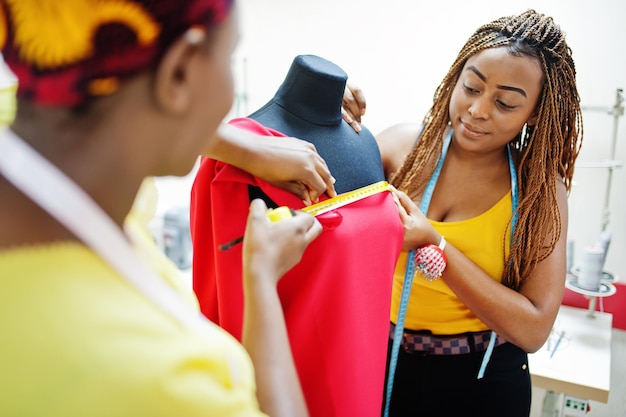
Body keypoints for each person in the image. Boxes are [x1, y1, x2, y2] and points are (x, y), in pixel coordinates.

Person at [0, 1, 322, 416]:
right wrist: (261, 279)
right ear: (180, 71)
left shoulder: (36, 125)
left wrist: (246, 146)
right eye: (229, 56)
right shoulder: (163, 377)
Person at [357, 9, 582, 416]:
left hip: (480, 380)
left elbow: (533, 328)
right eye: (472, 86)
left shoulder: (536, 192)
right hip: (384, 359)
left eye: (505, 103)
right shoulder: (400, 149)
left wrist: (435, 247)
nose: (478, 110)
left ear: (534, 112)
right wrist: (331, 116)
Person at [190, 54, 404, 417]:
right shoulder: (241, 161)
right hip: (284, 386)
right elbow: (224, 301)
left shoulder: (365, 142)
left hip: (364, 379)